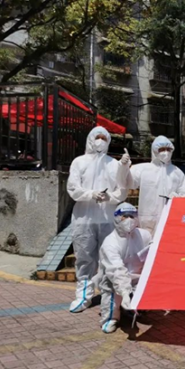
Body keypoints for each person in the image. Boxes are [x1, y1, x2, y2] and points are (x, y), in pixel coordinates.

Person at [67, 127, 128, 313]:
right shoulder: (79, 162)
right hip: (84, 219)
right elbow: (73, 188)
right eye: (97, 137)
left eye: (104, 138)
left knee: (109, 258)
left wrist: (111, 197)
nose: (100, 140)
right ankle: (83, 296)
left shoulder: (114, 164)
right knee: (84, 259)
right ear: (90, 139)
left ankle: (108, 296)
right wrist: (91, 194)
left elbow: (122, 190)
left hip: (107, 219)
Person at [118, 136, 185, 236]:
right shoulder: (142, 169)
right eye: (162, 149)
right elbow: (127, 183)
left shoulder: (177, 173)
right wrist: (123, 167)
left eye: (168, 149)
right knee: (145, 242)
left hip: (169, 217)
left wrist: (176, 197)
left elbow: (184, 194)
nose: (166, 152)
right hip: (147, 219)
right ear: (155, 151)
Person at [99, 203, 152, 334]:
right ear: (117, 218)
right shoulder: (110, 242)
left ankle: (136, 308)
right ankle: (111, 318)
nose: (129, 220)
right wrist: (124, 292)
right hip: (116, 279)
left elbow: (151, 257)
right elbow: (116, 270)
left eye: (132, 216)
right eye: (124, 216)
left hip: (138, 277)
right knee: (111, 290)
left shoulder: (144, 235)